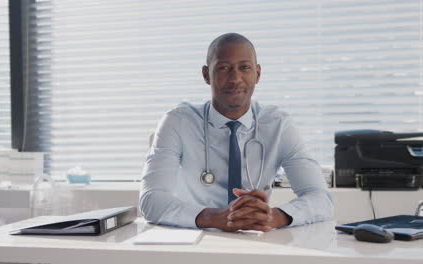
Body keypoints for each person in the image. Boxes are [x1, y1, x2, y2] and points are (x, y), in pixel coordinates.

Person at [139, 33, 334, 232]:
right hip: (196, 236)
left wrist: (274, 217)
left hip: (256, 238)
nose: (235, 79)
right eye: (224, 68)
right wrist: (215, 217)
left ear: (257, 74)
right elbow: (151, 200)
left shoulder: (278, 125)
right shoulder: (177, 122)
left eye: (245, 67)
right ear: (206, 75)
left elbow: (321, 198)